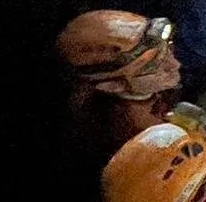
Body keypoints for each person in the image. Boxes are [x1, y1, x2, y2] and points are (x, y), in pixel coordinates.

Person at [57, 9, 184, 157]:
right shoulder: (135, 137)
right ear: (113, 85)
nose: (175, 65)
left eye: (168, 49)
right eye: (154, 66)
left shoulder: (156, 95)